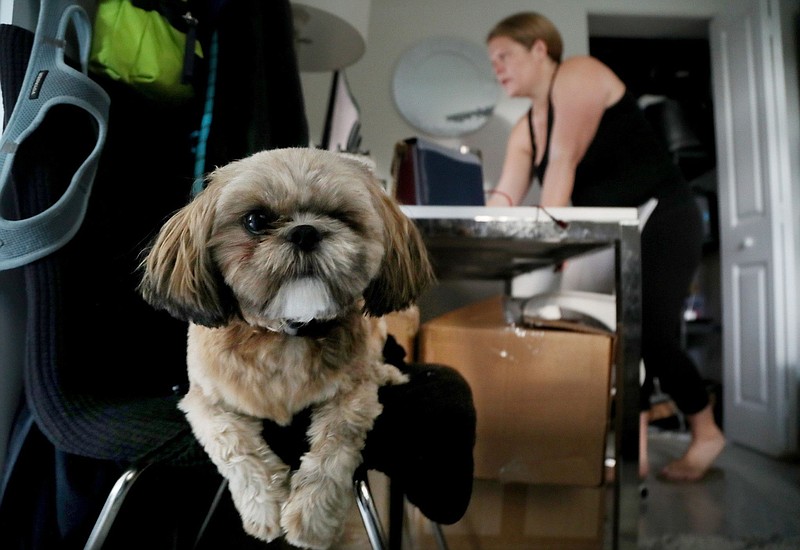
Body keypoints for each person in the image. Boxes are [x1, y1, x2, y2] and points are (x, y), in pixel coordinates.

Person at [485, 11, 725, 482]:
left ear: (540, 49)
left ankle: (706, 430)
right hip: (610, 232)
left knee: (651, 334)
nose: (497, 67)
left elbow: (563, 164)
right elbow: (502, 200)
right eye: (491, 60)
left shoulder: (579, 74)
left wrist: (550, 244)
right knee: (603, 339)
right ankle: (630, 455)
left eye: (504, 55)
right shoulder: (524, 129)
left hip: (662, 216)